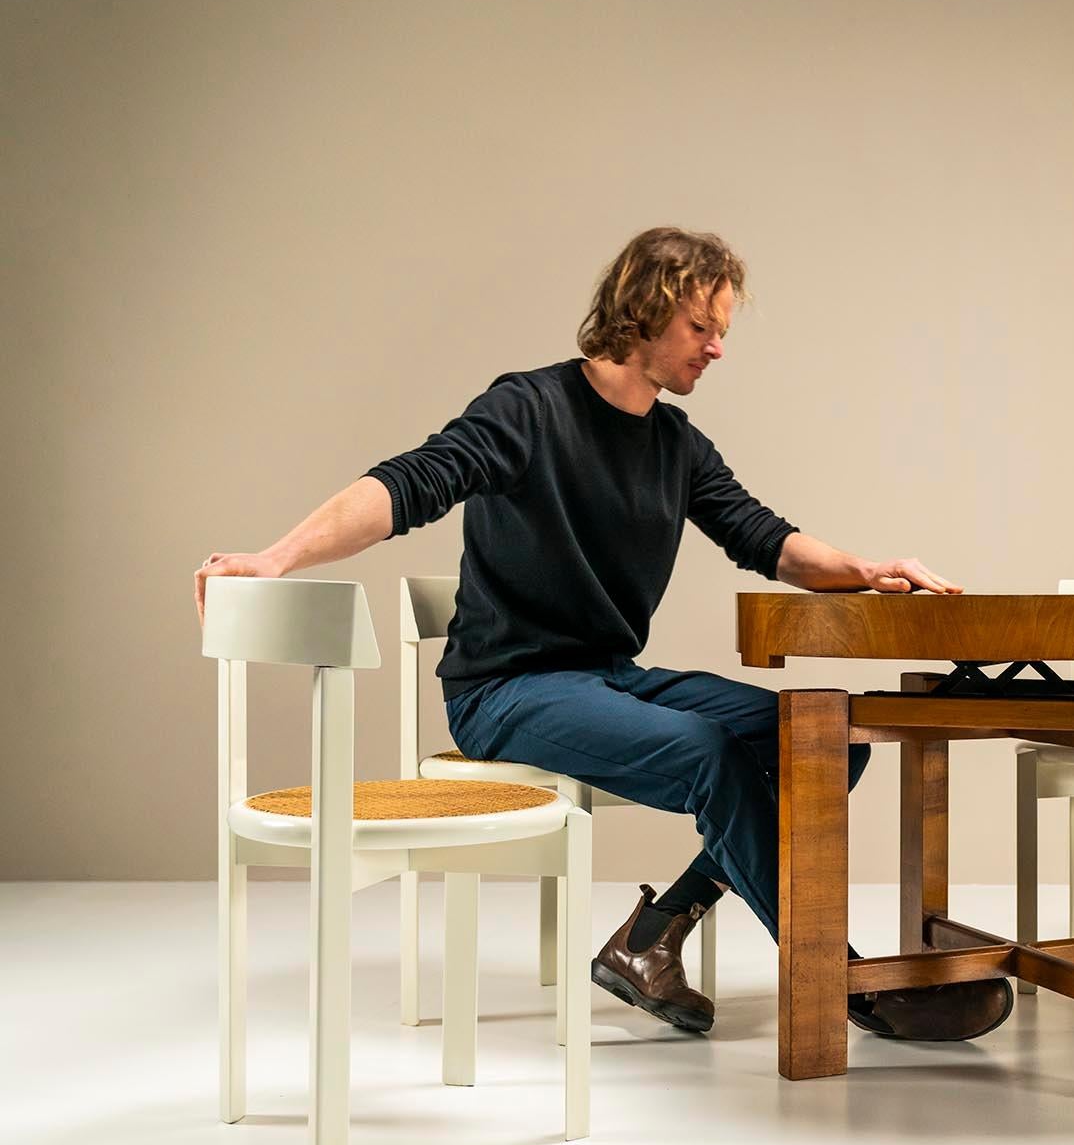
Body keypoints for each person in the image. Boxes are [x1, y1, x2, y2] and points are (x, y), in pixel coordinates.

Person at [194, 227, 1014, 1043]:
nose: (718, 349)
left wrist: (867, 568)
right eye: (703, 328)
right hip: (506, 692)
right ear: (644, 314)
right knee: (709, 755)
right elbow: (409, 483)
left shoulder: (677, 446)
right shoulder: (529, 409)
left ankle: (650, 940)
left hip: (610, 676)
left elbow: (765, 537)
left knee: (831, 739)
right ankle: (841, 981)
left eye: (723, 330)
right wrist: (277, 557)